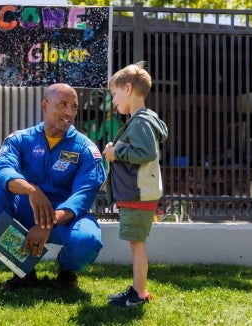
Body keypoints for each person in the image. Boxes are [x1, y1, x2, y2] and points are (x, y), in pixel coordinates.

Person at [0, 83, 106, 291]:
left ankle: (66, 268)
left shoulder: (86, 149)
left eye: (74, 106)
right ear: (45, 105)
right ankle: (24, 271)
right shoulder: (20, 139)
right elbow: (1, 172)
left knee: (88, 239)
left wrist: (48, 224)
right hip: (28, 209)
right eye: (63, 104)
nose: (69, 112)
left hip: (65, 216)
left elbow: (83, 195)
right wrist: (32, 190)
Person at [102, 62, 168, 307]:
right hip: (139, 194)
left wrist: (116, 154)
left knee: (137, 246)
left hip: (138, 194)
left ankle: (139, 294)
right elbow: (140, 150)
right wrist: (116, 150)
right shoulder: (141, 120)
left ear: (128, 88)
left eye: (114, 94)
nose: (114, 101)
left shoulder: (139, 122)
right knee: (136, 244)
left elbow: (145, 153)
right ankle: (138, 291)